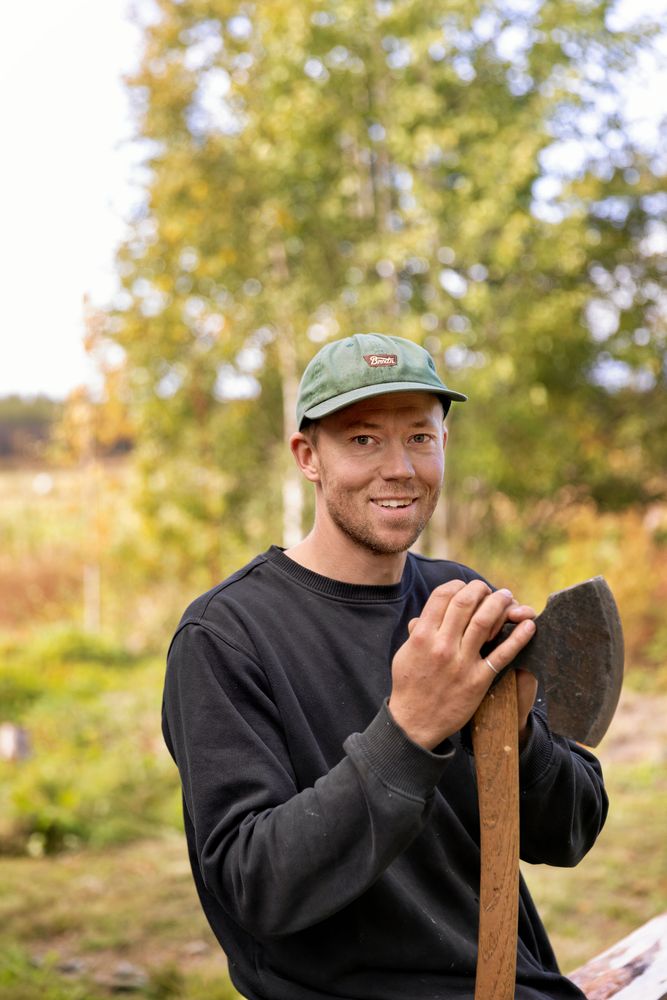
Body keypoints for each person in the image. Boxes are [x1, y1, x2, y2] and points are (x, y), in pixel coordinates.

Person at [162, 333, 607, 1000]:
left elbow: (570, 832)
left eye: (419, 438)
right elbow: (254, 888)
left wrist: (520, 739)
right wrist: (410, 727)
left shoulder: (460, 603)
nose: (398, 467)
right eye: (362, 439)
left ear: (443, 447)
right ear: (308, 457)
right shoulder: (227, 636)